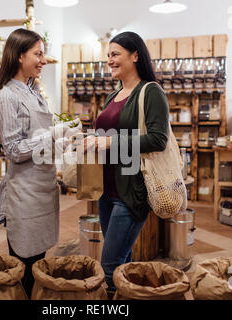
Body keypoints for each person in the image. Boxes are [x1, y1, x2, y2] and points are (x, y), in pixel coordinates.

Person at [0, 28, 80, 298]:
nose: (44, 60)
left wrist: (66, 141)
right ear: (19, 56)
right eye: (38, 54)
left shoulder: (33, 92)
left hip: (42, 191)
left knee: (38, 264)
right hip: (24, 195)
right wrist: (52, 134)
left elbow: (38, 144)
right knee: (25, 269)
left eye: (43, 53)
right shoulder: (6, 98)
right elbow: (14, 150)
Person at [83, 31, 170, 294]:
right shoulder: (113, 96)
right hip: (107, 193)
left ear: (135, 55)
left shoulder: (151, 92)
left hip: (131, 192)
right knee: (123, 263)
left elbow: (158, 139)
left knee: (109, 266)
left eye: (116, 54)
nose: (110, 60)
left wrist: (111, 142)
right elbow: (105, 136)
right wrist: (88, 141)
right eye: (108, 55)